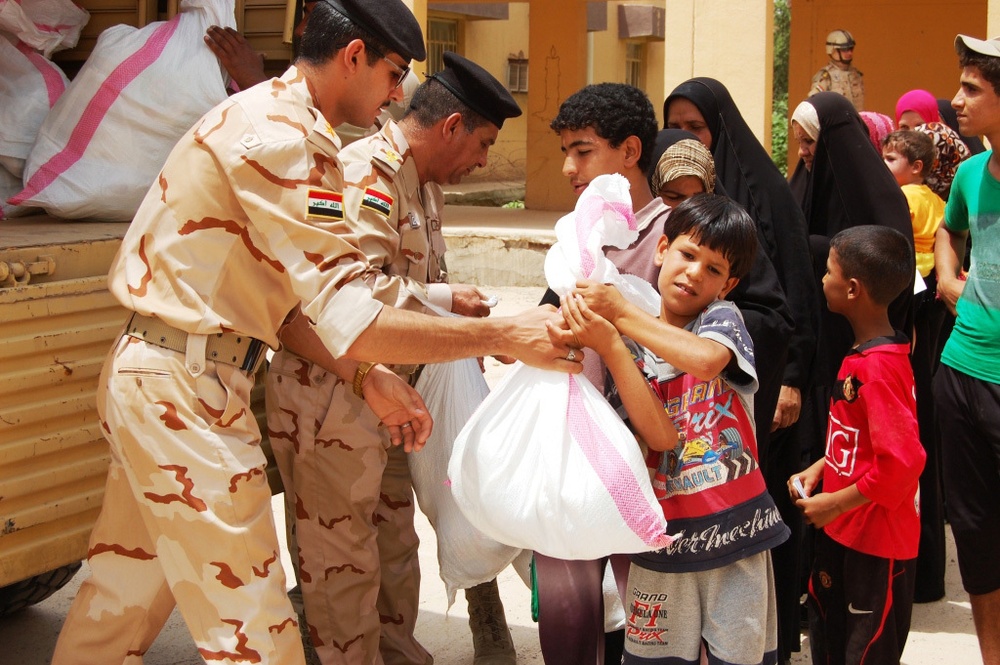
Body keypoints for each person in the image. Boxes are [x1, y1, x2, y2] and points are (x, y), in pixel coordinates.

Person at [48, 2, 581, 663]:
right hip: (184, 390)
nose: (397, 94)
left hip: (171, 374)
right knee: (257, 635)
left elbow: (292, 308)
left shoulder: (297, 131)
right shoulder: (284, 139)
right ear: (353, 56)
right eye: (392, 73)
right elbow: (355, 313)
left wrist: (367, 375)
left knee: (118, 606)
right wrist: (505, 335)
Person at [265, 51, 521, 665]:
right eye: (481, 144)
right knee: (342, 576)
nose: (484, 161)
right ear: (451, 126)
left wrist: (442, 323)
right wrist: (462, 323)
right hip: (333, 398)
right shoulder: (364, 176)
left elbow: (405, 280)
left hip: (383, 403)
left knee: (393, 561)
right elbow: (350, 296)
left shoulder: (420, 186)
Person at [571, 193, 789, 665]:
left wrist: (621, 315)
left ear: (728, 285)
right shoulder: (627, 346)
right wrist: (612, 341)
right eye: (689, 255)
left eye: (713, 269)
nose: (695, 273)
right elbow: (660, 437)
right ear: (662, 249)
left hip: (738, 539)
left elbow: (707, 361)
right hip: (663, 547)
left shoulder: (720, 322)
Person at [665, 77, 817, 664]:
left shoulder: (759, 197)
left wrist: (794, 377)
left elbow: (793, 298)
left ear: (720, 129)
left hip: (756, 385)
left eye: (696, 127)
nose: (685, 137)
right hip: (681, 423)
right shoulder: (672, 214)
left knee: (753, 521)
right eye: (674, 126)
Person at [536, 82, 663, 665]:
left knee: (649, 610)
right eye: (566, 151)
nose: (568, 167)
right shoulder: (575, 236)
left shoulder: (674, 236)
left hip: (647, 457)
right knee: (568, 608)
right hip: (572, 451)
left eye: (583, 151)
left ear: (630, 151)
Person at [790, 225, 924, 665]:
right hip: (845, 532)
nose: (822, 279)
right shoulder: (863, 354)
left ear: (852, 289)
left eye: (828, 271)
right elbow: (867, 440)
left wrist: (835, 504)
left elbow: (902, 463)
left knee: (863, 652)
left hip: (875, 545)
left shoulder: (880, 369)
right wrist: (825, 467)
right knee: (830, 641)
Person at [933, 33, 1000, 665]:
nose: (957, 100)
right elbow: (950, 232)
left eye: (972, 90)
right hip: (961, 369)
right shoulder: (973, 171)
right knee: (976, 534)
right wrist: (949, 276)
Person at [895, 88, 972, 200]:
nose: (912, 135)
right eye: (904, 128)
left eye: (920, 126)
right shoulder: (899, 172)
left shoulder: (959, 176)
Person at [809, 29, 864, 110]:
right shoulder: (826, 76)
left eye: (851, 49)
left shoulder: (856, 74)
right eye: (844, 50)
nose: (849, 53)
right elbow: (813, 103)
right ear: (833, 50)